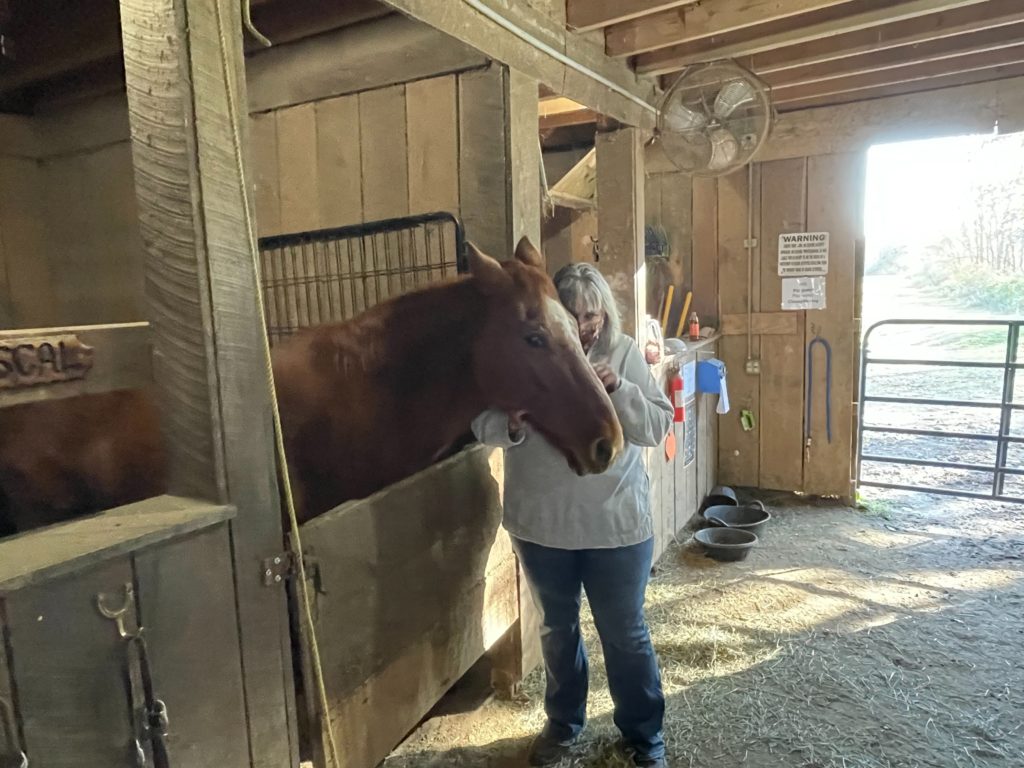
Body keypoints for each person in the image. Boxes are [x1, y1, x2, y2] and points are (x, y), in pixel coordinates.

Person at [472, 262, 673, 767]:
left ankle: (644, 735)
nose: (586, 325)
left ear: (606, 313)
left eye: (594, 313)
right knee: (557, 629)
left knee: (624, 632)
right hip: (543, 525)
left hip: (616, 525)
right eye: (574, 313)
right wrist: (510, 425)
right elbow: (480, 423)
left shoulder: (624, 354)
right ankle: (563, 725)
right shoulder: (527, 352)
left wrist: (621, 390)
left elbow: (656, 425)